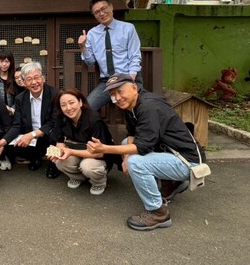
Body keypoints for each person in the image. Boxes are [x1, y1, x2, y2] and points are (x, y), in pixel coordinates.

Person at [86, 74, 206, 231]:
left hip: (188, 162)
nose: (117, 98)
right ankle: (172, 183)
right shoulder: (131, 106)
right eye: (113, 94)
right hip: (169, 153)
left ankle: (158, 213)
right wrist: (125, 157)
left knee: (135, 163)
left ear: (134, 88)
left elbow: (141, 146)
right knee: (127, 150)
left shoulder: (149, 106)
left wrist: (106, 149)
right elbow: (131, 135)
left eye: (120, 91)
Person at [0, 62, 60, 178]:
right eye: (29, 79)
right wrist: (2, 142)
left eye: (36, 77)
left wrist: (32, 134)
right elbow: (17, 125)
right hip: (33, 136)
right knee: (12, 145)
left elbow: (54, 122)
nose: (34, 82)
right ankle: (35, 158)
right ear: (24, 82)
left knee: (55, 136)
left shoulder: (54, 94)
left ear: (43, 78)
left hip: (49, 134)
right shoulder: (20, 99)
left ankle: (54, 164)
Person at [48, 88, 120, 195]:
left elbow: (100, 153)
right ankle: (79, 178)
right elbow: (60, 143)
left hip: (98, 157)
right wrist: (56, 152)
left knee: (87, 165)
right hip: (77, 151)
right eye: (63, 105)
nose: (68, 108)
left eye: (71, 102)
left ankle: (99, 183)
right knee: (59, 161)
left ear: (80, 102)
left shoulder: (94, 119)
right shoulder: (61, 118)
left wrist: (70, 152)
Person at [78, 0, 142, 111]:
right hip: (108, 82)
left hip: (128, 77)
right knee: (87, 108)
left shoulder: (128, 29)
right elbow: (90, 62)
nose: (101, 13)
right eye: (97, 12)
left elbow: (135, 56)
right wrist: (83, 48)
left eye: (103, 9)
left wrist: (129, 80)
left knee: (138, 106)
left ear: (111, 7)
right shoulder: (92, 34)